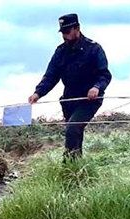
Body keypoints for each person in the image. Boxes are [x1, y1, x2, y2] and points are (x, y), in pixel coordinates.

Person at [29, 13, 112, 160]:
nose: (65, 35)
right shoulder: (60, 52)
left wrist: (97, 87)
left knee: (73, 128)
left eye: (68, 31)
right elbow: (51, 75)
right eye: (63, 32)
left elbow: (105, 74)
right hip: (69, 100)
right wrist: (38, 93)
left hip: (89, 100)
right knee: (74, 132)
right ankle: (77, 168)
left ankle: (67, 164)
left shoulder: (94, 49)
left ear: (77, 28)